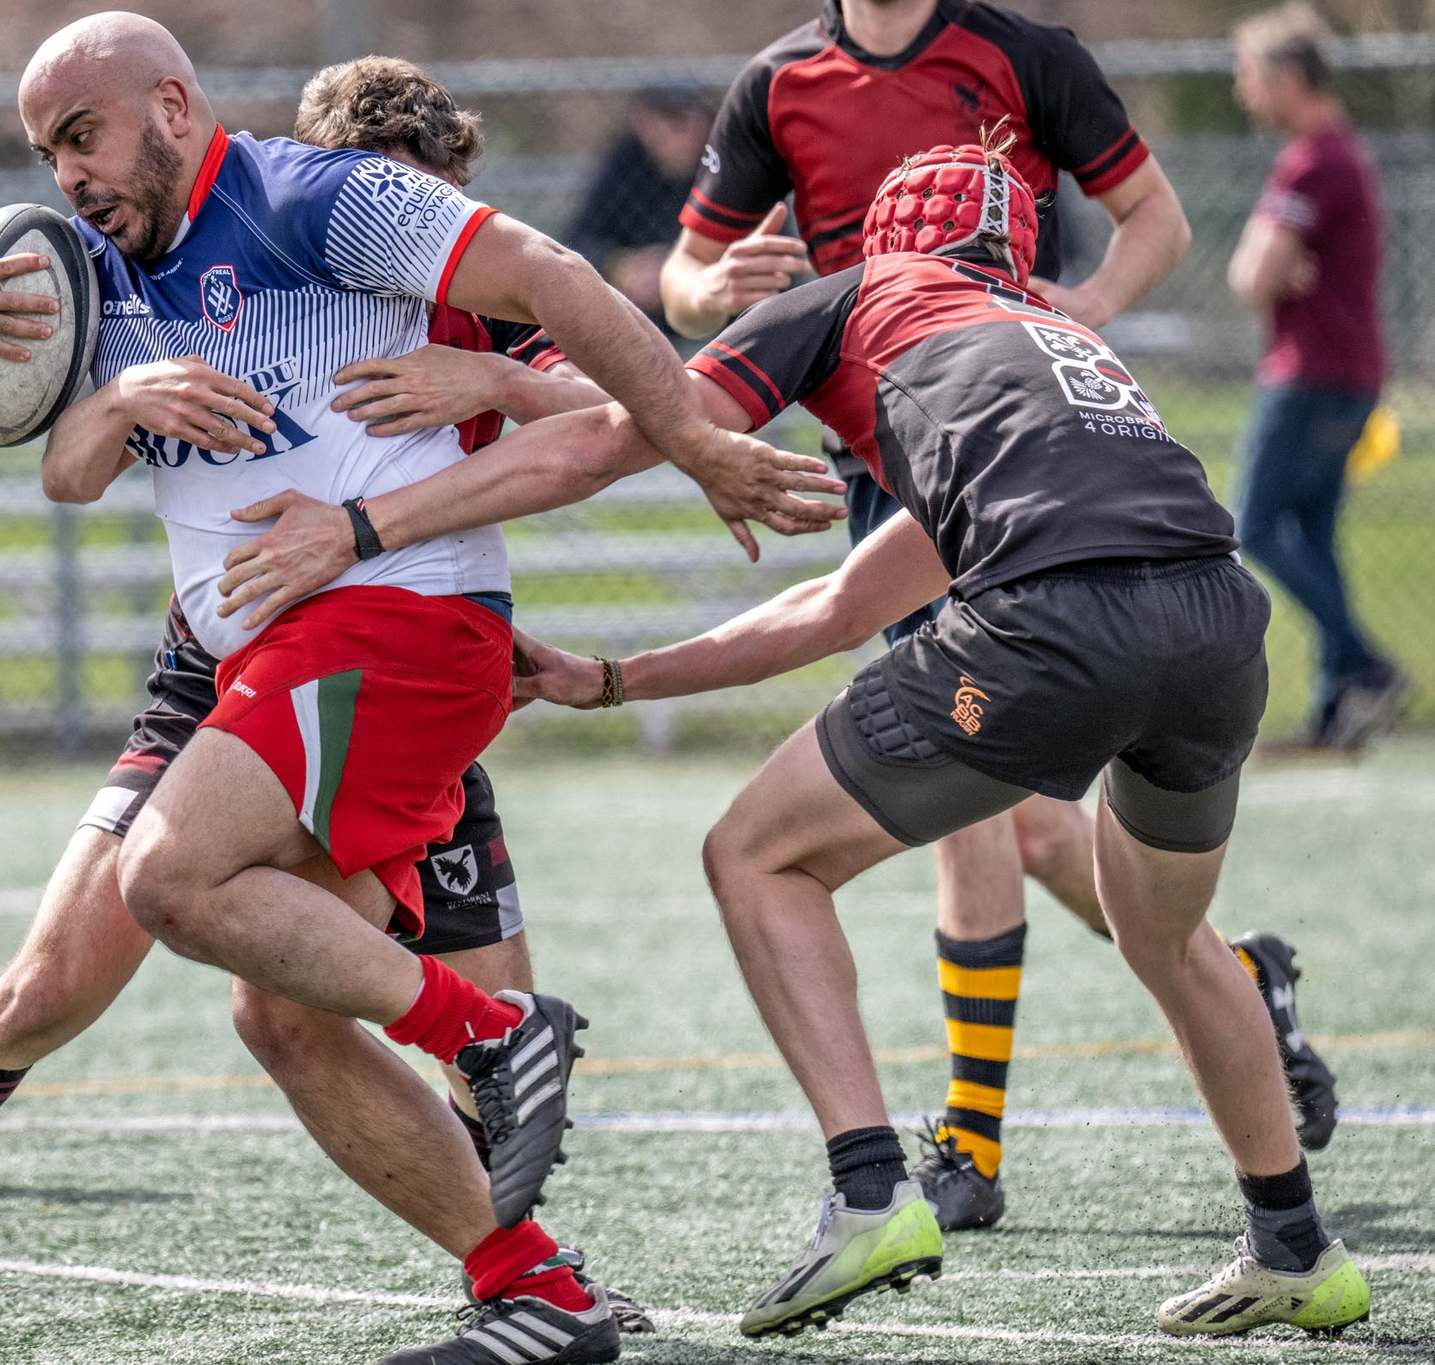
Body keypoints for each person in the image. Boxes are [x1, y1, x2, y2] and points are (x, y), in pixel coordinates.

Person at [0, 50, 762, 1356]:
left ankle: (502, 1075)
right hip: (233, 667)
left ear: (176, 112)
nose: (67, 172)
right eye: (51, 149)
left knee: (187, 887)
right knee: (195, 996)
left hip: (387, 635)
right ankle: (536, 1284)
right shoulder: (94, 262)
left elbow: (587, 364)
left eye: (82, 136)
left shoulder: (348, 223)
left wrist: (612, 421)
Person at [485, 142, 1371, 1341]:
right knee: (1165, 939)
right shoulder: (1058, 344)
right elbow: (837, 608)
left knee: (755, 855)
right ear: (1015, 255)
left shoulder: (850, 297)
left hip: (1059, 627)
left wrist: (406, 479)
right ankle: (1296, 1249)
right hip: (1215, 628)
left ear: (876, 236)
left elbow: (635, 425)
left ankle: (866, 1194)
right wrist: (608, 681)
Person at [649, 0, 1337, 1219]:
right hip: (884, 456)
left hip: (1010, 460)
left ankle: (967, 1147)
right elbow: (684, 272)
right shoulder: (778, 80)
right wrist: (714, 287)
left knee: (966, 816)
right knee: (1004, 821)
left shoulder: (1022, 53)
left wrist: (1074, 314)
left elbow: (1155, 221)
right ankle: (1233, 981)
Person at [1228, 2, 1407, 751]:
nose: (1244, 95)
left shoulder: (1313, 160)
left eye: (1251, 77)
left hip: (1311, 376)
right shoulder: (1339, 155)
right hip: (1349, 375)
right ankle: (1338, 704)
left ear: (1291, 76)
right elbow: (1266, 272)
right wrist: (1273, 268)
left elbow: (1248, 275)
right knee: (1313, 533)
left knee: (1255, 525)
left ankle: (1364, 666)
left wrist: (1269, 267)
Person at [565, 84, 714, 333]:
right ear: (642, 123)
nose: (676, 130)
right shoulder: (624, 166)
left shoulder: (728, 167)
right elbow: (579, 240)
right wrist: (621, 266)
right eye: (666, 118)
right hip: (635, 310)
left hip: (713, 305)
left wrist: (681, 269)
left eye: (686, 119)